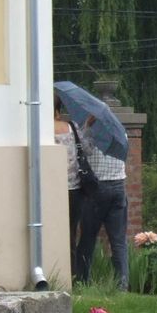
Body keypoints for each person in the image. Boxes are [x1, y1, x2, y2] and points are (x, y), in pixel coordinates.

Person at [73, 120, 129, 290]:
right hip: (119, 186)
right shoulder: (121, 133)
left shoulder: (93, 133)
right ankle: (122, 285)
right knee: (118, 241)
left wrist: (86, 126)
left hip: (97, 188)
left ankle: (82, 281)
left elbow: (84, 150)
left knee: (88, 238)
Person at [55, 101, 84, 263]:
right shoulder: (72, 128)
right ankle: (72, 269)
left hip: (52, 190)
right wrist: (87, 128)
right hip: (74, 189)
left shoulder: (41, 131)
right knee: (71, 231)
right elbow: (87, 149)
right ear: (58, 111)